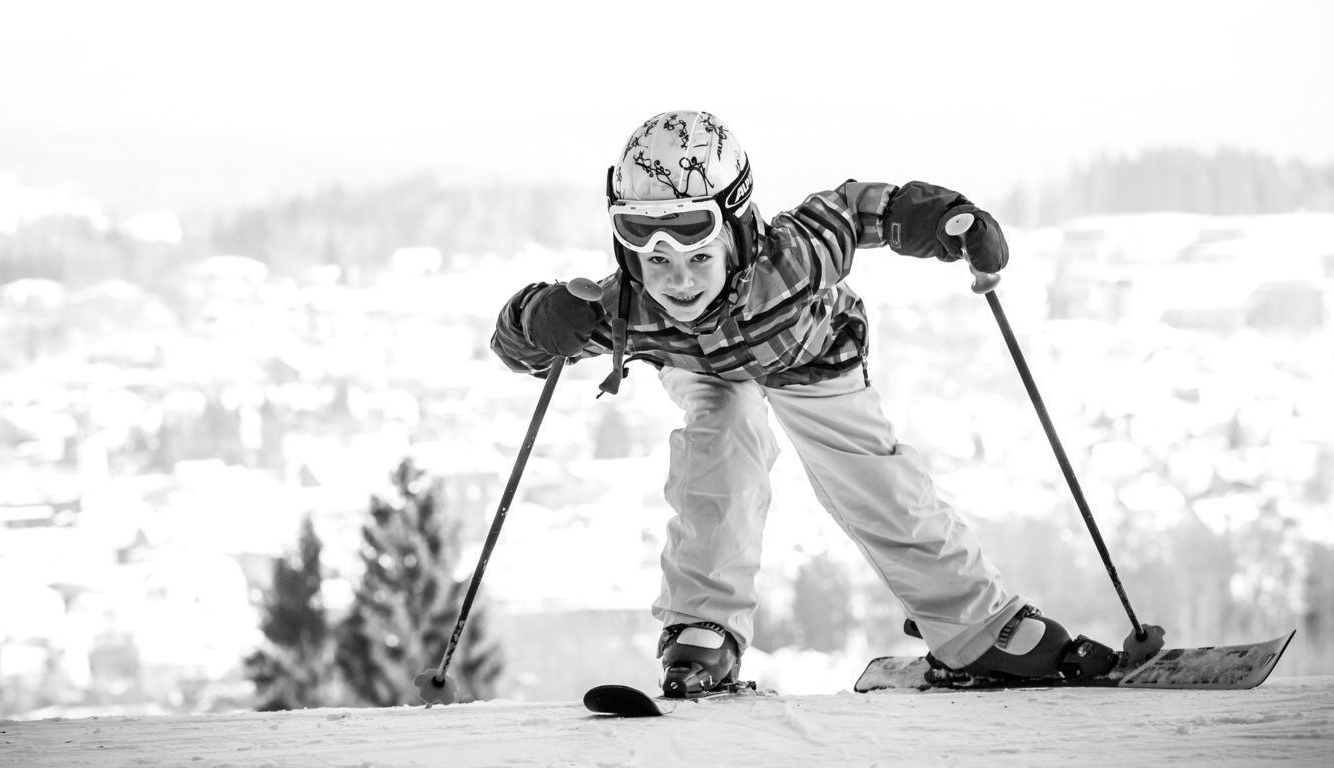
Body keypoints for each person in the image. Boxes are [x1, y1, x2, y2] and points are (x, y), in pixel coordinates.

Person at [490, 109, 1157, 697]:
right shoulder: (628, 304)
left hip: (810, 357)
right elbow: (514, 344)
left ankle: (975, 626)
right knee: (719, 447)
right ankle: (702, 626)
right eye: (654, 257)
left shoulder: (797, 258)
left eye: (698, 254)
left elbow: (862, 208)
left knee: (874, 479)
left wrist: (933, 218)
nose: (678, 281)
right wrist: (540, 323)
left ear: (738, 227)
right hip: (708, 371)